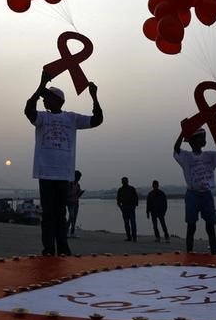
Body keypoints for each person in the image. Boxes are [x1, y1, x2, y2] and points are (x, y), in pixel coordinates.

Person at [24, 70, 102, 256]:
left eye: (47, 97)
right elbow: (28, 110)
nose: (44, 100)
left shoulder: (71, 118)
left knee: (59, 215)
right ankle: (49, 249)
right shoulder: (42, 117)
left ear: (58, 101)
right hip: (45, 173)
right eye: (44, 98)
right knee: (48, 215)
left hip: (63, 175)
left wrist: (94, 97)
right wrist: (40, 87)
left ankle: (63, 248)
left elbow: (97, 120)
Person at [173, 127, 216, 255]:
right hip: (192, 194)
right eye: (201, 137)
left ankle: (214, 253)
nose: (203, 140)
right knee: (191, 225)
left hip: (206, 194)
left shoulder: (209, 156)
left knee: (210, 226)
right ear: (192, 141)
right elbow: (176, 149)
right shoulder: (186, 157)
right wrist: (182, 132)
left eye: (204, 137)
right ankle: (189, 252)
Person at [117, 177, 139, 241]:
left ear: (127, 181)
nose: (124, 182)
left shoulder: (132, 189)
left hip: (131, 208)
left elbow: (136, 198)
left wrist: (134, 206)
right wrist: (121, 208)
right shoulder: (120, 190)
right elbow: (118, 200)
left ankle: (134, 237)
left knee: (133, 223)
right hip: (124, 209)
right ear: (122, 182)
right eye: (123, 181)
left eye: (125, 181)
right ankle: (129, 237)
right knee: (126, 224)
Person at [67, 170, 84, 238]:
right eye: (78, 177)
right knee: (71, 217)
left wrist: (80, 193)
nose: (79, 178)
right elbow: (67, 194)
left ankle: (72, 233)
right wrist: (75, 194)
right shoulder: (70, 184)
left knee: (74, 219)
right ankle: (66, 231)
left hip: (76, 203)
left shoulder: (78, 185)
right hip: (70, 203)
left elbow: (78, 195)